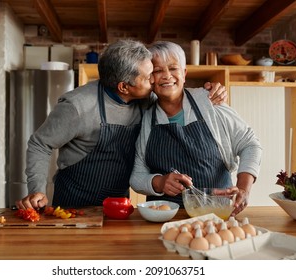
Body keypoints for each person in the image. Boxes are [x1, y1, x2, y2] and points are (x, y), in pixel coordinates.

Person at [16, 39, 227, 210]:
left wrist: (207, 93)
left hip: (118, 203)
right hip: (74, 203)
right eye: (148, 77)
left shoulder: (146, 100)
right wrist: (37, 189)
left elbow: (175, 96)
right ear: (124, 87)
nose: (154, 81)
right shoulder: (77, 106)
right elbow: (39, 143)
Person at [129, 41, 262, 216]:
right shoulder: (147, 118)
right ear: (150, 78)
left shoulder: (210, 102)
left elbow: (250, 144)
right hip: (165, 216)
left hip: (217, 212)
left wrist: (244, 189)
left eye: (173, 68)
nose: (166, 76)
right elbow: (137, 176)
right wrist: (159, 182)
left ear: (184, 73)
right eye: (157, 70)